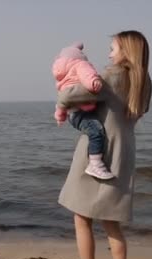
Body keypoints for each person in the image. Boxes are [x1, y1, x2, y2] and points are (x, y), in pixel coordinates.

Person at [57, 30, 152, 259]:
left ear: (126, 50)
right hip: (124, 154)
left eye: (113, 47)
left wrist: (62, 93)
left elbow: (77, 93)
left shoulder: (112, 76)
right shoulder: (144, 81)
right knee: (112, 223)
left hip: (97, 152)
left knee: (81, 217)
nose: (109, 53)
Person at [52, 42, 113, 180]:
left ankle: (94, 162)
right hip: (81, 110)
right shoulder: (80, 64)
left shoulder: (63, 75)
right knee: (96, 132)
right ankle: (95, 164)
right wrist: (94, 82)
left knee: (92, 131)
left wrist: (60, 116)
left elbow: (62, 100)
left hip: (72, 113)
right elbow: (87, 75)